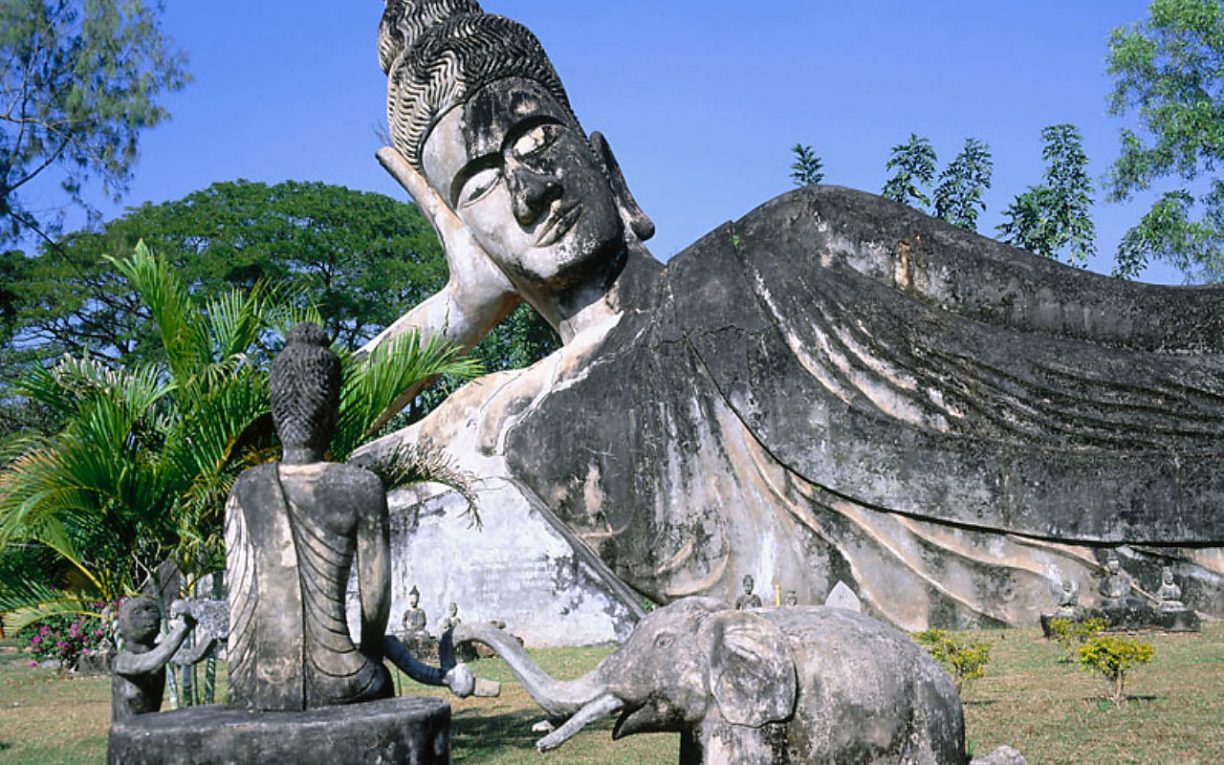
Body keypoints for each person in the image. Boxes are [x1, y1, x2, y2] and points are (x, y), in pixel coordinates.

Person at [363, 1, 1224, 629]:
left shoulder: (789, 242)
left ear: (609, 169)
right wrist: (459, 308)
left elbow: (1123, 327)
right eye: (478, 183)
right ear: (467, 231)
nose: (530, 189)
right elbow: (285, 451)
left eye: (538, 140)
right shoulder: (499, 415)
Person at [111, 598, 201, 721]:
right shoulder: (122, 660)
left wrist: (216, 633)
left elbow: (192, 656)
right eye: (138, 613)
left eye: (152, 611)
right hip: (127, 730)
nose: (148, 616)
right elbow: (150, 662)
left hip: (150, 724)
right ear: (123, 623)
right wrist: (184, 625)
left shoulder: (159, 651)